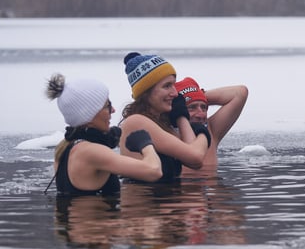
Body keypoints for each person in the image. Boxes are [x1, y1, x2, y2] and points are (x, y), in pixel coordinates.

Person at [45, 73, 162, 195]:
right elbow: (154, 171)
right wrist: (145, 143)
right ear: (89, 115)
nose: (113, 110)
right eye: (107, 106)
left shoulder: (64, 147)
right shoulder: (91, 151)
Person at [119, 52, 211, 182]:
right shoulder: (136, 122)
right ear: (146, 92)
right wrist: (202, 130)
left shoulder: (162, 125)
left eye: (173, 85)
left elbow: (193, 159)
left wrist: (181, 117)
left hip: (166, 194)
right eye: (167, 86)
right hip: (144, 195)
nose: (175, 93)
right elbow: (196, 157)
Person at [174, 77, 248, 172]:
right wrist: (176, 99)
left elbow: (240, 93)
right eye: (192, 107)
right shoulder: (166, 135)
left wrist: (198, 94)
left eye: (203, 107)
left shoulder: (211, 130)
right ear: (178, 108)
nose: (200, 114)